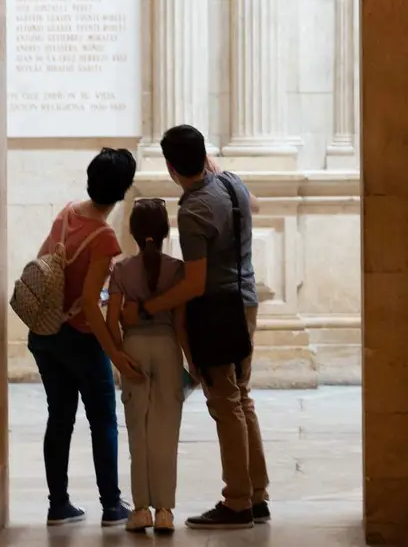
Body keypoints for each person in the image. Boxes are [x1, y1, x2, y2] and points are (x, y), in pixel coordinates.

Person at [120, 125, 270, 530]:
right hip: (246, 300)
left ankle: (237, 501)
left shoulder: (193, 212)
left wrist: (148, 307)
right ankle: (257, 494)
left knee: (225, 402)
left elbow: (195, 282)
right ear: (205, 156)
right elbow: (253, 205)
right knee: (242, 397)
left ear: (170, 168)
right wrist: (218, 173)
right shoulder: (232, 183)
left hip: (219, 310)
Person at [27, 147, 142, 527]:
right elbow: (91, 305)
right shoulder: (104, 237)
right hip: (80, 339)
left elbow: (47, 265)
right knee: (103, 421)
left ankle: (58, 504)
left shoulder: (67, 212)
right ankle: (111, 505)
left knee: (59, 419)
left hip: (45, 334)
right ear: (124, 190)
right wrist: (116, 354)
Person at [105, 198, 195, 534]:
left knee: (138, 433)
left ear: (133, 231)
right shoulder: (177, 269)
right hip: (169, 348)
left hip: (135, 347)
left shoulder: (122, 269)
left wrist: (119, 353)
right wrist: (192, 363)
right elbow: (182, 323)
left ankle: (140, 509)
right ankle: (165, 511)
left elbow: (111, 319)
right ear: (165, 231)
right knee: (166, 434)